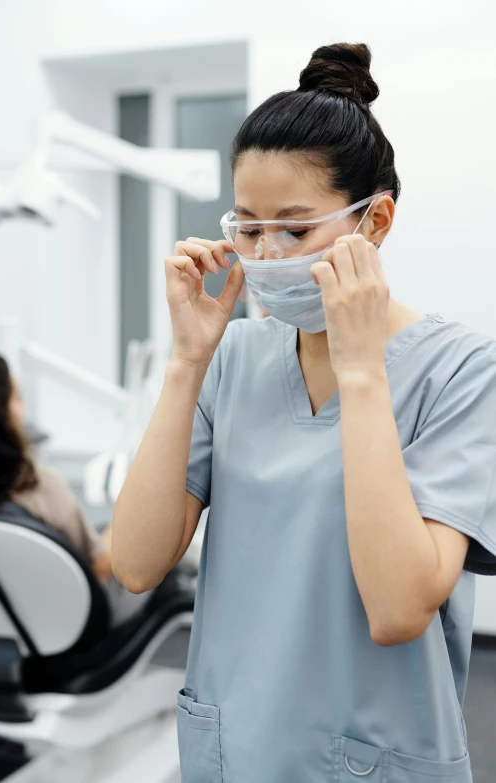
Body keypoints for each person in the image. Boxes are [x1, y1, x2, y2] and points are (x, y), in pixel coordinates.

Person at [112, 43, 496, 782]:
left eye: (295, 229)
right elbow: (133, 562)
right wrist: (188, 360)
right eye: (247, 229)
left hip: (374, 755)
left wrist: (359, 370)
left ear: (374, 221)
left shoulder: (462, 371)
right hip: (234, 747)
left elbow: (397, 608)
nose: (266, 254)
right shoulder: (232, 358)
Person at [0, 353, 149, 628]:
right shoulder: (40, 488)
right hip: (75, 623)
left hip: (12, 624)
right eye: (17, 398)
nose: (24, 407)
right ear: (1, 412)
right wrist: (126, 528)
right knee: (154, 542)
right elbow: (101, 565)